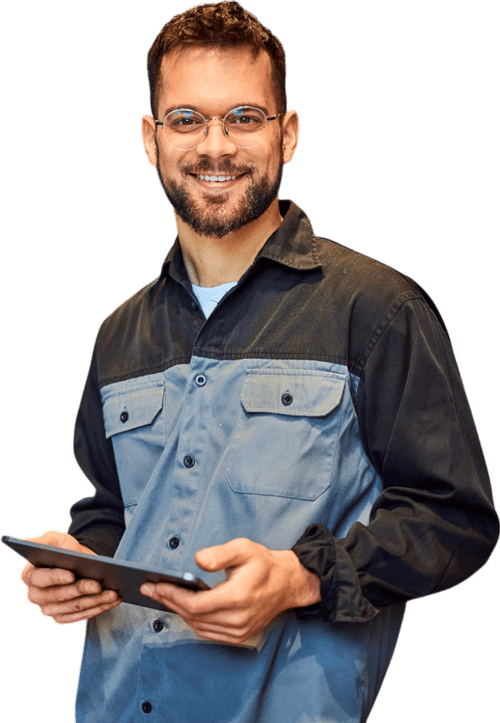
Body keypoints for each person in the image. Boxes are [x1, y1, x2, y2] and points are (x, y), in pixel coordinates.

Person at [20, 2, 498, 722]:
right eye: (187, 119)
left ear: (288, 133)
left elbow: (454, 519)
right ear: (151, 140)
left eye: (244, 117)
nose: (216, 146)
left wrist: (303, 576)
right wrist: (77, 563)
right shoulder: (120, 333)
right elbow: (111, 512)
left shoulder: (375, 309)